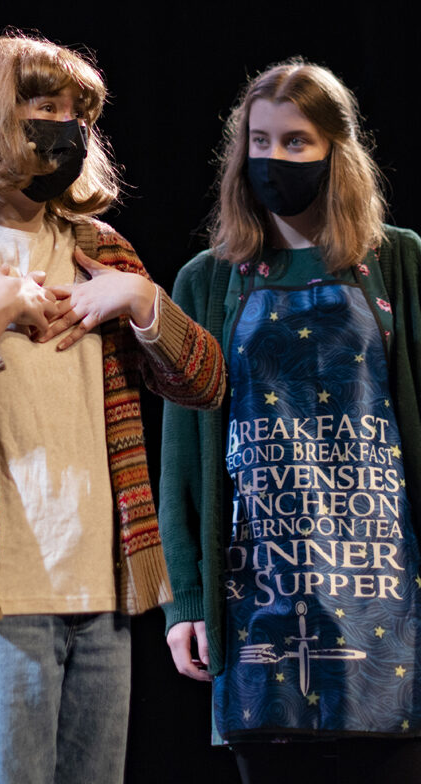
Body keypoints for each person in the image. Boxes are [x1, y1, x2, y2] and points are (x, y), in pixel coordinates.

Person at [0, 33, 225, 784]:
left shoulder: (103, 249)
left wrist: (145, 301)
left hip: (99, 592)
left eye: (77, 112)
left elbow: (206, 383)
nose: (66, 126)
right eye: (44, 106)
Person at [159, 58, 421, 783]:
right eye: (261, 141)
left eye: (297, 142)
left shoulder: (397, 262)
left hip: (387, 595)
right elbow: (181, 458)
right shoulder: (207, 278)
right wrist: (186, 598)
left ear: (337, 150)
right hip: (258, 598)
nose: (274, 158)